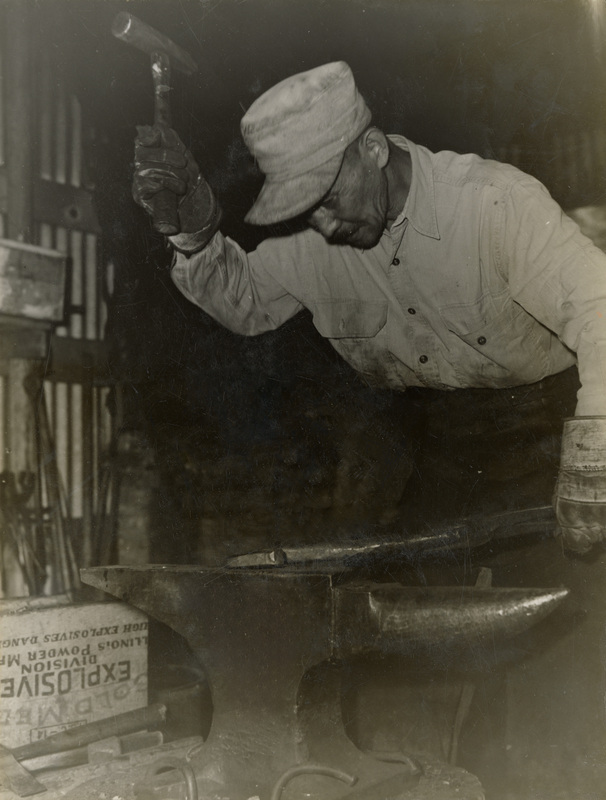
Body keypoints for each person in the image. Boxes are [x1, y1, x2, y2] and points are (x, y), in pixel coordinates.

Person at [132, 60, 606, 554]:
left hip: (548, 427)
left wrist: (595, 455)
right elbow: (244, 300)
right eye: (303, 208)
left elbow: (600, 310)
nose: (324, 224)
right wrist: (194, 233)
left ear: (374, 149)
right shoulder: (314, 238)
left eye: (329, 197)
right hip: (431, 446)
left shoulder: (494, 205)